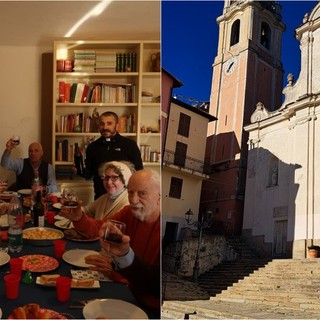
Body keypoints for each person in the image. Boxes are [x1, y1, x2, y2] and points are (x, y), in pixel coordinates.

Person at [60, 169, 160, 317]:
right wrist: (79, 218)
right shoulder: (128, 212)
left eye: (142, 193)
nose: (133, 200)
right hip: (128, 292)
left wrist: (117, 270)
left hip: (151, 308)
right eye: (131, 192)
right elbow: (99, 229)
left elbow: (154, 283)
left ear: (159, 196)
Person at [83, 111, 143, 199]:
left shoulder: (130, 145)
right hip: (101, 197)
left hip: (125, 198)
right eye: (102, 124)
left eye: (109, 123)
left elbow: (138, 172)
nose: (105, 127)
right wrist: (80, 170)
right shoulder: (92, 147)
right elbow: (88, 175)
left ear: (117, 126)